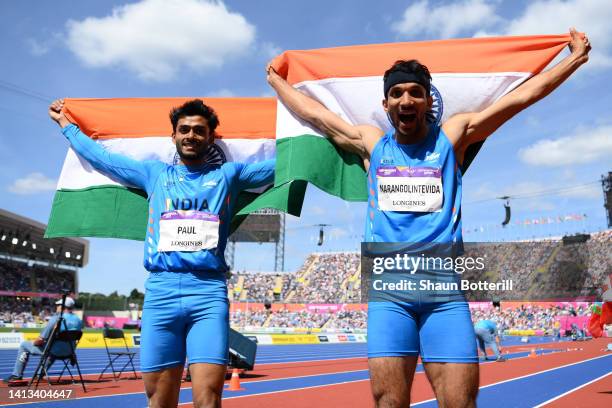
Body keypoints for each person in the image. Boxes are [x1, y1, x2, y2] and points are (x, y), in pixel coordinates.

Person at [267, 29, 590, 407]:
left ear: (428, 101)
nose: (406, 99)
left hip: (444, 294)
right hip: (389, 294)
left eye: (415, 92)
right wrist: (276, 81)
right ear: (386, 104)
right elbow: (318, 116)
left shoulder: (452, 136)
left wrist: (573, 59)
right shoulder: (372, 143)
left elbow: (521, 98)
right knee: (389, 402)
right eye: (397, 93)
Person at [48, 99, 275, 408]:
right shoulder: (155, 175)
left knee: (208, 399)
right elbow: (103, 159)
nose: (191, 135)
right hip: (161, 293)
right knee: (158, 400)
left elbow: (282, 166)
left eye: (199, 130)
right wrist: (67, 127)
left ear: (211, 138)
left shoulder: (228, 176)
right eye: (184, 129)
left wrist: (319, 136)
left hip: (207, 294)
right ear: (174, 137)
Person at [3, 297, 82, 383]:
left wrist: (34, 342)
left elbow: (41, 340)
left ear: (62, 306)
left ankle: (16, 375)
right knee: (53, 347)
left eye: (58, 305)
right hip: (69, 352)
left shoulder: (56, 319)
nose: (56, 307)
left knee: (24, 345)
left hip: (54, 351)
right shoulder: (78, 320)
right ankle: (39, 374)